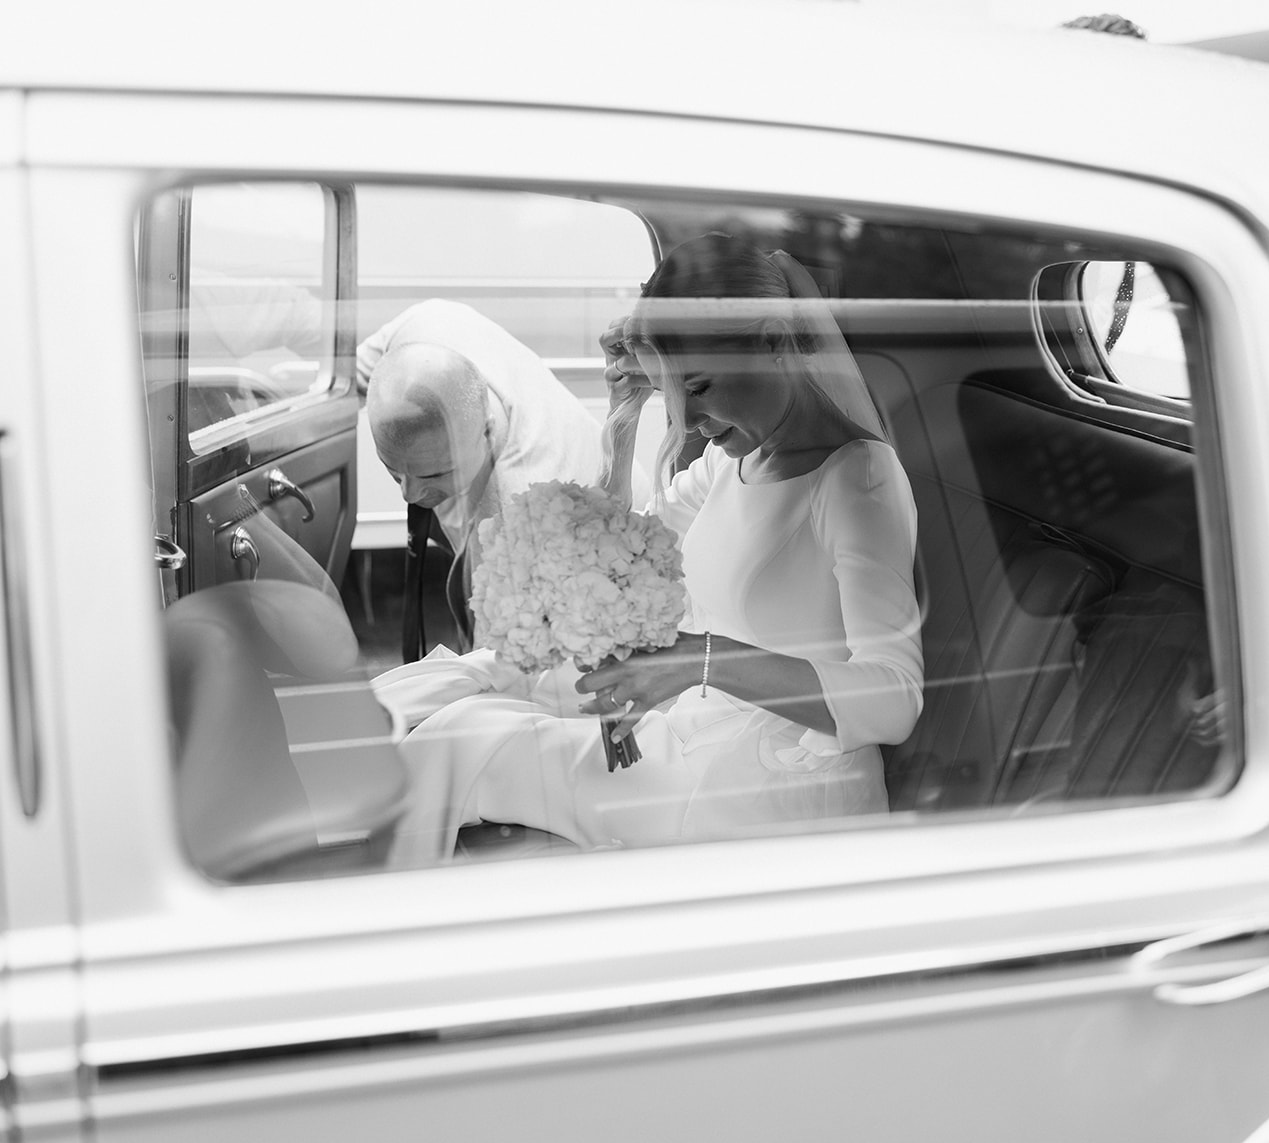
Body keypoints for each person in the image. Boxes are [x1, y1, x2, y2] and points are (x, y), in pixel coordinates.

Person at [376, 235, 923, 861]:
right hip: (695, 730)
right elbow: (621, 554)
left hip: (773, 782)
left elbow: (894, 699)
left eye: (701, 387)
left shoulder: (859, 480)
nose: (687, 423)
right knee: (468, 686)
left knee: (458, 741)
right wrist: (623, 423)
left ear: (775, 341)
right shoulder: (731, 464)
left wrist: (697, 660)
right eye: (673, 394)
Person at [359, 300, 604, 561]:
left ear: (487, 432)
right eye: (393, 470)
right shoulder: (427, 321)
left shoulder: (520, 518)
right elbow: (348, 379)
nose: (409, 494)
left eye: (435, 474)